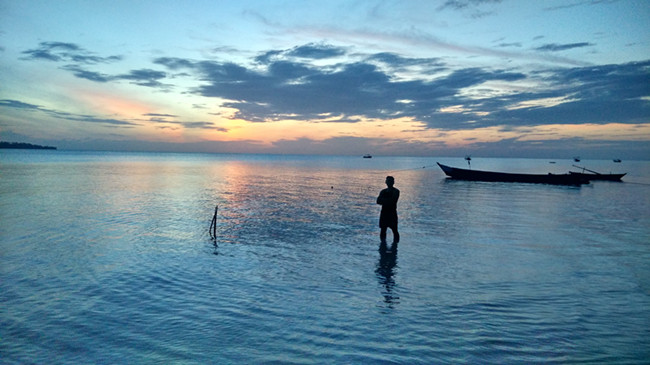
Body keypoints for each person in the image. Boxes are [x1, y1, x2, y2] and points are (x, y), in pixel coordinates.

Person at [376, 176, 400, 243]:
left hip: (392, 214)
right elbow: (378, 201)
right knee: (383, 230)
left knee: (395, 230)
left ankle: (395, 245)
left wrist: (383, 201)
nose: (389, 182)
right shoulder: (383, 191)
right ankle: (383, 244)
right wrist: (386, 201)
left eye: (391, 181)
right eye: (388, 181)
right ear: (386, 182)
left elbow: (392, 201)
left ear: (393, 182)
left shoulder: (396, 191)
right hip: (384, 213)